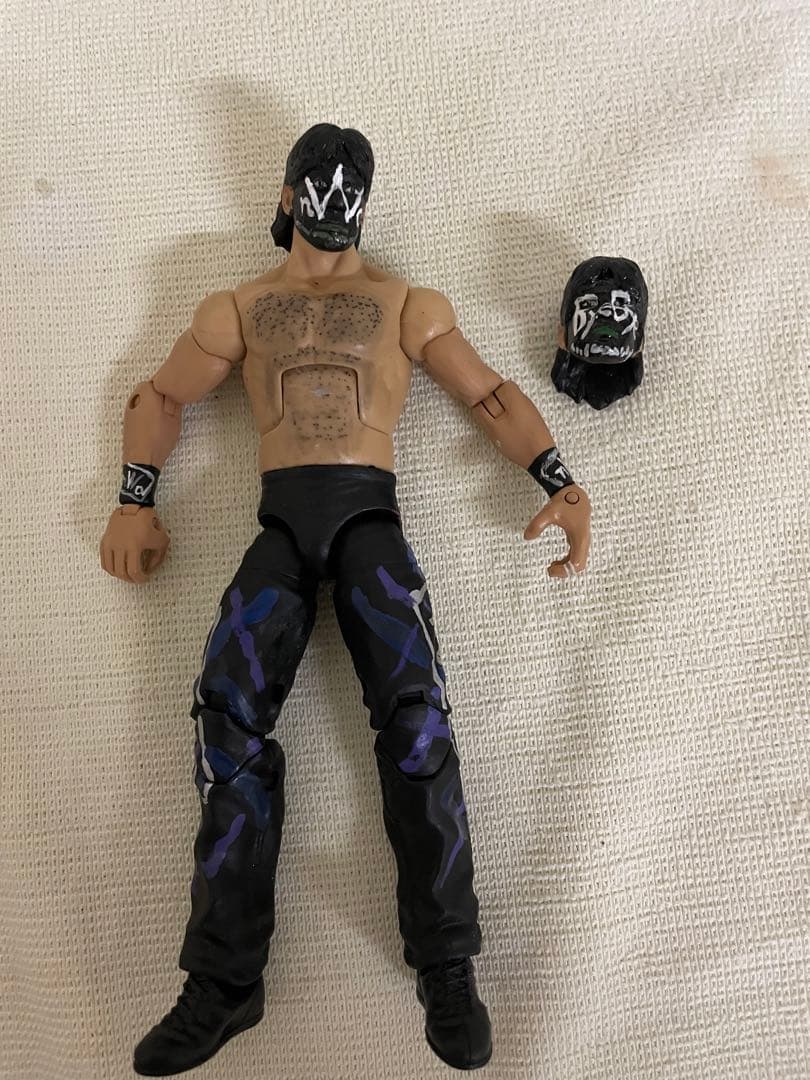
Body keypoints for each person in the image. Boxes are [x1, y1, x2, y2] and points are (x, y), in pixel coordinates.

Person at [100, 123, 591, 1075]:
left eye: (347, 186)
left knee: (418, 723)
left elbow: (490, 395)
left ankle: (447, 964)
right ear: (287, 197)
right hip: (283, 524)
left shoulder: (406, 305)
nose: (330, 199)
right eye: (316, 185)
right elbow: (160, 397)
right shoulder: (238, 308)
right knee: (225, 720)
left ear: (365, 201)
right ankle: (225, 981)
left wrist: (558, 480)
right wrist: (134, 500)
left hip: (371, 521)